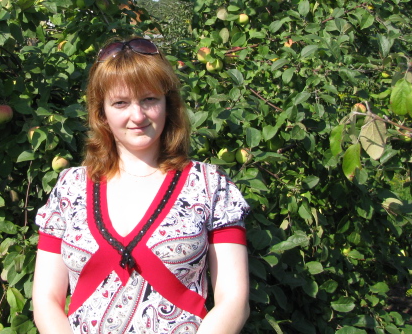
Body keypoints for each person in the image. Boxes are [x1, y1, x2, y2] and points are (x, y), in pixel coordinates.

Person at [32, 37, 251, 334]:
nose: (137, 116)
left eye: (149, 99)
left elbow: (234, 300)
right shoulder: (70, 188)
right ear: (101, 112)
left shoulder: (210, 186)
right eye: (120, 103)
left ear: (167, 104)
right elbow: (46, 299)